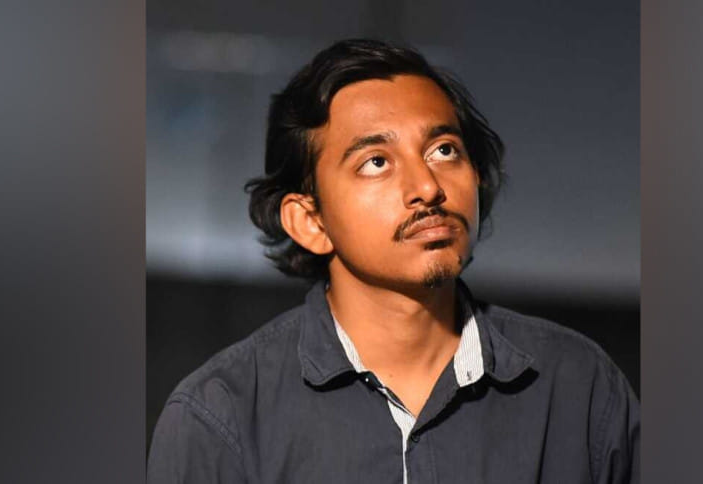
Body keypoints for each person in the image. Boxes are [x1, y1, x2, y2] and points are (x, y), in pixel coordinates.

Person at [148, 38, 639, 484]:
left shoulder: (580, 389)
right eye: (377, 162)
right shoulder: (222, 416)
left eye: (444, 150)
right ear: (310, 222)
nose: (427, 187)